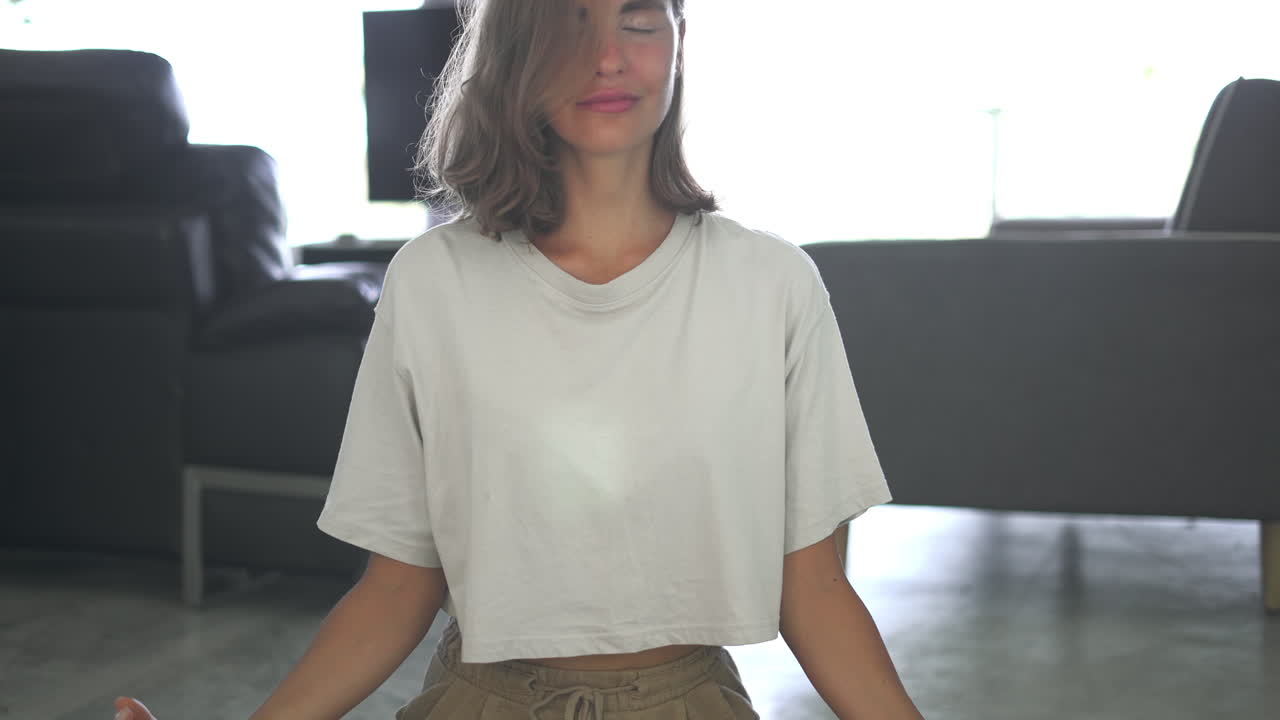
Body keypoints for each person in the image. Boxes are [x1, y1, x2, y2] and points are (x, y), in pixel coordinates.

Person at [115, 0, 924, 717]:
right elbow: (398, 588)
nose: (608, 54)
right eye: (568, 22)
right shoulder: (434, 282)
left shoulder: (772, 285)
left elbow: (814, 592)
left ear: (680, 37)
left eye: (639, 19)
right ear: (514, 50)